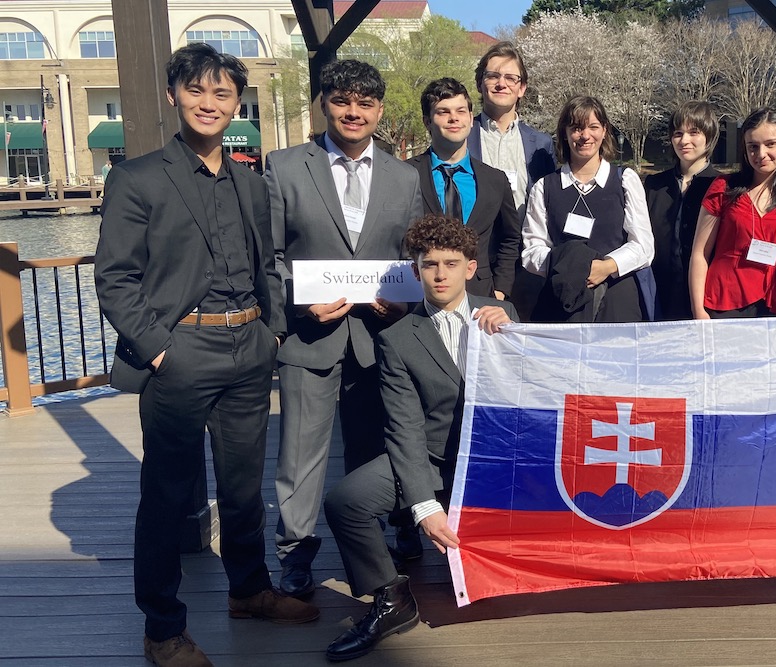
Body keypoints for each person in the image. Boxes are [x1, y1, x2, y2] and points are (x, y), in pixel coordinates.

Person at [94, 43, 318, 667]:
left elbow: (266, 264)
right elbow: (114, 277)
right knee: (166, 494)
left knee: (246, 490)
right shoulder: (137, 177)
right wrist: (160, 348)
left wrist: (271, 331)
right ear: (174, 96)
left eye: (222, 94)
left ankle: (250, 590)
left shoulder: (251, 180)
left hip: (249, 347)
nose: (209, 104)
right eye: (197, 91)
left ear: (236, 103)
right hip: (181, 350)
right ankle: (162, 625)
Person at [322, 214, 517, 662]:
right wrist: (423, 505)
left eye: (451, 263)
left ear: (471, 267)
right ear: (415, 271)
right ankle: (391, 599)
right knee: (345, 501)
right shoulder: (397, 338)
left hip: (492, 459)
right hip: (429, 458)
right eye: (430, 264)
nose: (441, 274)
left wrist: (510, 333)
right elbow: (403, 424)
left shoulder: (503, 316)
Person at [264, 59, 422, 599]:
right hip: (311, 336)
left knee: (373, 449)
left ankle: (366, 544)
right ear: (324, 104)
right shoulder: (284, 167)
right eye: (342, 101)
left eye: (366, 103)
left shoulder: (405, 176)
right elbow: (270, 255)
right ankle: (295, 551)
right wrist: (298, 304)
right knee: (300, 456)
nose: (353, 112)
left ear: (379, 110)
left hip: (380, 340)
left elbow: (414, 255)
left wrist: (403, 304)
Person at [522, 95, 654, 323]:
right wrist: (572, 268)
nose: (585, 136)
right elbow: (531, 250)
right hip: (563, 302)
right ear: (564, 132)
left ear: (604, 131)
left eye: (593, 127)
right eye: (576, 128)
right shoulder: (545, 187)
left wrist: (606, 266)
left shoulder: (625, 181)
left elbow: (643, 245)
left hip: (617, 299)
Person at [406, 77, 521, 300]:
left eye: (461, 111)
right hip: (420, 296)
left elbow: (510, 237)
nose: (453, 118)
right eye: (443, 112)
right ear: (427, 122)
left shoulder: (495, 180)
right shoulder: (405, 175)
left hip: (481, 298)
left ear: (470, 119)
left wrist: (500, 290)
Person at [689, 107, 776, 319]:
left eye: (771, 144)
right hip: (724, 302)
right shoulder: (724, 188)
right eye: (753, 146)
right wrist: (698, 310)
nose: (761, 154)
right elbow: (700, 253)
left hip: (775, 303)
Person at [467, 40, 557, 320]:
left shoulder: (541, 144)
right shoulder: (462, 135)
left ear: (522, 88)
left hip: (525, 257)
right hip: (474, 257)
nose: (501, 83)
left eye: (510, 78)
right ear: (481, 83)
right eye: (493, 76)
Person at [644, 101, 721, 321]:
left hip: (706, 299)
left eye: (693, 132)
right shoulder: (654, 185)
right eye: (678, 133)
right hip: (660, 296)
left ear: (710, 136)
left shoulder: (723, 186)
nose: (684, 141)